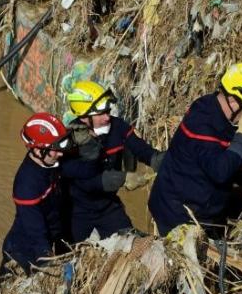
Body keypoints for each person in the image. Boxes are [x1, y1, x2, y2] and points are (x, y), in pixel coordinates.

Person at [148, 62, 242, 237]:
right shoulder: (203, 126)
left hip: (192, 204)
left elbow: (227, 136)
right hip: (179, 215)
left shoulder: (210, 105)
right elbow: (220, 171)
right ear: (233, 100)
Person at [62, 80, 165, 242]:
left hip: (108, 207)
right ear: (84, 117)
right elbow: (82, 182)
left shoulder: (117, 127)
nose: (107, 117)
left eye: (108, 110)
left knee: (130, 244)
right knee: (71, 254)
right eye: (101, 113)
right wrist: (121, 178)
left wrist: (158, 159)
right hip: (77, 212)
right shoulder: (70, 141)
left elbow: (141, 149)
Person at [0, 112, 71, 276]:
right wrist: (49, 265)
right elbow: (36, 233)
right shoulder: (26, 186)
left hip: (50, 236)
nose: (60, 153)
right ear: (38, 151)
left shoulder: (50, 162)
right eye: (55, 150)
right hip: (21, 254)